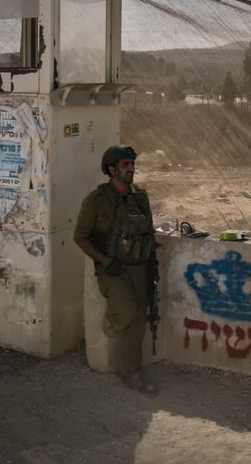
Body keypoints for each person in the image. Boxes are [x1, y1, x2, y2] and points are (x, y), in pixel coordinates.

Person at [74, 145, 157, 396]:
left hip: (139, 267)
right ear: (111, 170)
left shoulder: (140, 197)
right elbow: (80, 237)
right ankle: (114, 322)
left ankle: (132, 372)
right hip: (113, 269)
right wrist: (104, 261)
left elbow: (149, 231)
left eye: (132, 164)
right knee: (128, 312)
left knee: (140, 321)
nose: (131, 169)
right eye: (125, 165)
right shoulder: (96, 201)